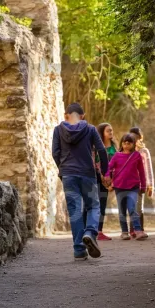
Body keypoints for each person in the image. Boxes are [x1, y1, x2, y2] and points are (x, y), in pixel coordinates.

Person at [52, 103, 110, 261]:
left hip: (68, 176)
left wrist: (62, 169)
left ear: (66, 115)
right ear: (82, 116)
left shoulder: (58, 130)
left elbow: (55, 152)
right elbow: (102, 150)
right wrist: (105, 172)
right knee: (93, 206)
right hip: (88, 175)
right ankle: (90, 232)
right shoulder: (90, 129)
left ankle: (79, 249)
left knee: (75, 211)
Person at [105, 133, 148, 241]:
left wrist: (143, 185)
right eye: (125, 142)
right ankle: (124, 232)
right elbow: (109, 167)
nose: (127, 144)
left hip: (133, 186)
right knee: (122, 209)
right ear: (122, 143)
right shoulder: (117, 156)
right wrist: (107, 176)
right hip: (120, 186)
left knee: (132, 207)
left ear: (133, 144)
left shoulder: (136, 155)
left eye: (129, 143)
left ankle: (138, 230)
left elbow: (141, 172)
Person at [84, 123, 118, 240]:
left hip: (108, 181)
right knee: (92, 203)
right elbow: (92, 160)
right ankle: (88, 229)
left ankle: (99, 231)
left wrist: (113, 180)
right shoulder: (95, 147)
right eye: (108, 131)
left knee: (102, 204)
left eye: (112, 130)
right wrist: (101, 173)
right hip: (96, 178)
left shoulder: (114, 147)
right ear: (102, 132)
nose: (111, 133)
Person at [129, 127, 154, 237]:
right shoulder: (127, 150)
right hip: (128, 183)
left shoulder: (144, 151)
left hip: (140, 183)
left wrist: (150, 185)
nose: (133, 138)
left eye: (135, 136)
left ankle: (140, 229)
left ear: (140, 138)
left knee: (139, 207)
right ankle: (132, 230)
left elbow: (148, 168)